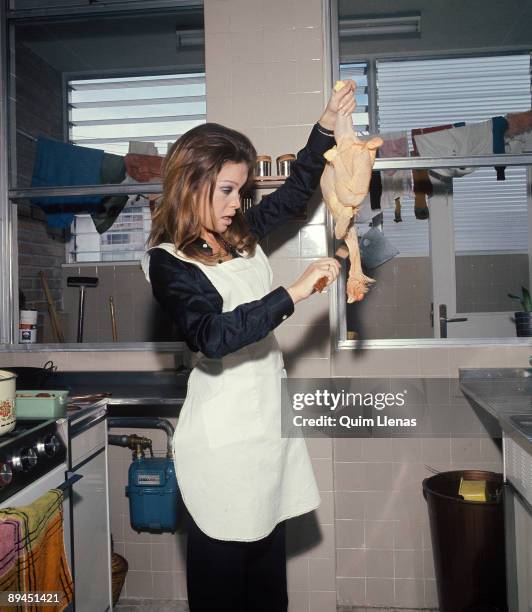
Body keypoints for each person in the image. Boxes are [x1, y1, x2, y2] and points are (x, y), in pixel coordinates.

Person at [141, 81, 356, 612]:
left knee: (267, 593)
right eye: (227, 191)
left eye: (241, 191)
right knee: (222, 593)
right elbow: (212, 335)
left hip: (265, 438)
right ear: (191, 185)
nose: (239, 205)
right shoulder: (169, 262)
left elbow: (297, 189)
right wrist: (294, 291)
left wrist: (326, 123)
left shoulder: (239, 235)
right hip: (221, 451)